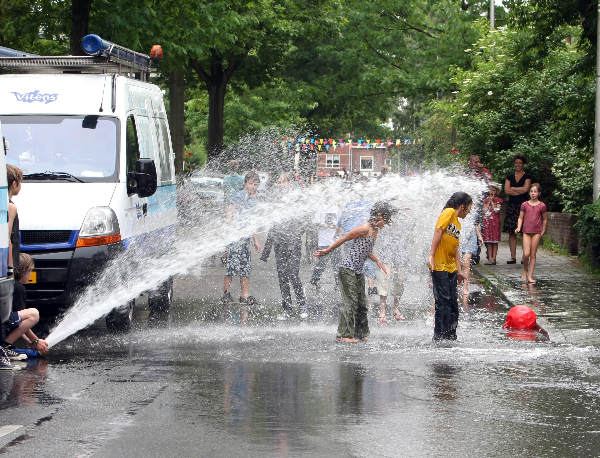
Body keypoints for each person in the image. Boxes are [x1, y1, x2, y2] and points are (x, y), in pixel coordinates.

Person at [314, 201, 394, 343]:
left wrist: (378, 261)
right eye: (386, 220)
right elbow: (344, 239)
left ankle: (360, 333)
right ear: (379, 216)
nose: (386, 224)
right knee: (350, 302)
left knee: (362, 304)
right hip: (347, 269)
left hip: (357, 271)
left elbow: (366, 250)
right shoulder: (364, 228)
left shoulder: (375, 231)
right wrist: (327, 251)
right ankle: (343, 335)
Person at [261, 174, 307, 320]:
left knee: (293, 274)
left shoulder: (297, 200)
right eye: (279, 183)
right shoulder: (276, 202)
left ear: (290, 184)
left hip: (293, 244)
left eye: (282, 182)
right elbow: (273, 227)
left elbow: (306, 221)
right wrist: (266, 252)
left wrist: (296, 233)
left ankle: (302, 305)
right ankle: (287, 309)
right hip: (279, 245)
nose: (280, 185)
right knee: (282, 278)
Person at [428, 192, 472, 341]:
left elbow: (455, 249)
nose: (470, 211)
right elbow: (439, 231)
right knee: (443, 303)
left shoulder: (457, 223)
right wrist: (432, 255)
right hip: (440, 266)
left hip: (451, 268)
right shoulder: (448, 212)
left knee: (453, 304)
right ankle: (439, 337)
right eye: (469, 208)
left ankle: (450, 336)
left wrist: (459, 271)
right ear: (462, 206)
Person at [222, 171, 262, 322]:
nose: (253, 187)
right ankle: (226, 293)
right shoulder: (239, 195)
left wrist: (256, 240)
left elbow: (251, 222)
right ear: (245, 183)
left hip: (245, 238)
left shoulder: (254, 199)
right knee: (231, 266)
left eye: (255, 184)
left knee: (245, 267)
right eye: (251, 183)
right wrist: (231, 228)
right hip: (235, 237)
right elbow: (230, 212)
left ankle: (245, 295)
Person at [2, 254, 48, 359]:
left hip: (3, 327)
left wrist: (30, 342)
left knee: (34, 353)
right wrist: (36, 341)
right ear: (23, 271)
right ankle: (4, 347)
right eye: (30, 271)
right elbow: (21, 323)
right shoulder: (18, 288)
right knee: (34, 314)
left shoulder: (10, 284)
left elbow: (18, 326)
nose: (30, 275)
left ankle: (5, 346)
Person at [375, 216, 410, 324]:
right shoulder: (386, 212)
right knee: (384, 281)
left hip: (401, 254)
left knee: (400, 281)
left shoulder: (406, 213)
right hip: (386, 253)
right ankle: (382, 312)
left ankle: (395, 308)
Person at [515, 183, 547, 284]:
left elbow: (545, 219)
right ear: (529, 193)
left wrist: (543, 230)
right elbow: (520, 217)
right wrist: (519, 227)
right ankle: (525, 270)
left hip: (536, 232)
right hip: (526, 232)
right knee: (526, 254)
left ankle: (530, 276)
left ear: (539, 193)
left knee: (533, 255)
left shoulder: (542, 205)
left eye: (535, 192)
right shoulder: (524, 204)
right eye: (531, 191)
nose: (533, 193)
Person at [503, 155, 532, 264]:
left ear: (523, 164)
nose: (518, 165)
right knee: (512, 232)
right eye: (516, 162)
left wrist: (513, 189)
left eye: (520, 163)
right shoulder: (509, 176)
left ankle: (525, 256)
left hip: (524, 206)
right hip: (512, 206)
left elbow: (526, 189)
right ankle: (513, 257)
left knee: (525, 232)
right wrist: (517, 190)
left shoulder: (527, 176)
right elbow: (506, 190)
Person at [310, 203, 342, 291]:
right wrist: (327, 225)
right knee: (322, 262)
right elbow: (315, 223)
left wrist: (338, 233)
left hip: (335, 242)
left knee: (336, 263)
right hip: (323, 241)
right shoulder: (320, 207)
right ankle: (315, 279)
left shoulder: (336, 208)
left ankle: (338, 282)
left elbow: (341, 224)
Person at [459, 210, 484, 306]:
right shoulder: (458, 212)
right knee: (460, 264)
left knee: (466, 262)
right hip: (460, 238)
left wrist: (480, 237)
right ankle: (459, 284)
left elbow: (476, 226)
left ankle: (465, 286)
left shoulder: (475, 214)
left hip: (471, 239)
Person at [7, 164, 23, 277]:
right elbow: (6, 238)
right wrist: (10, 269)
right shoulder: (10, 207)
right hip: (6, 266)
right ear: (14, 184)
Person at [482, 183, 503, 264]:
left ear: (496, 191)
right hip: (488, 223)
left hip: (495, 223)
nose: (492, 192)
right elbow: (484, 211)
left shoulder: (499, 200)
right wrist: (488, 203)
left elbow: (497, 210)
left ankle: (494, 258)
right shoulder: (486, 200)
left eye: (493, 190)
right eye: (490, 190)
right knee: (489, 241)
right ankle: (490, 258)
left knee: (495, 241)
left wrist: (493, 202)